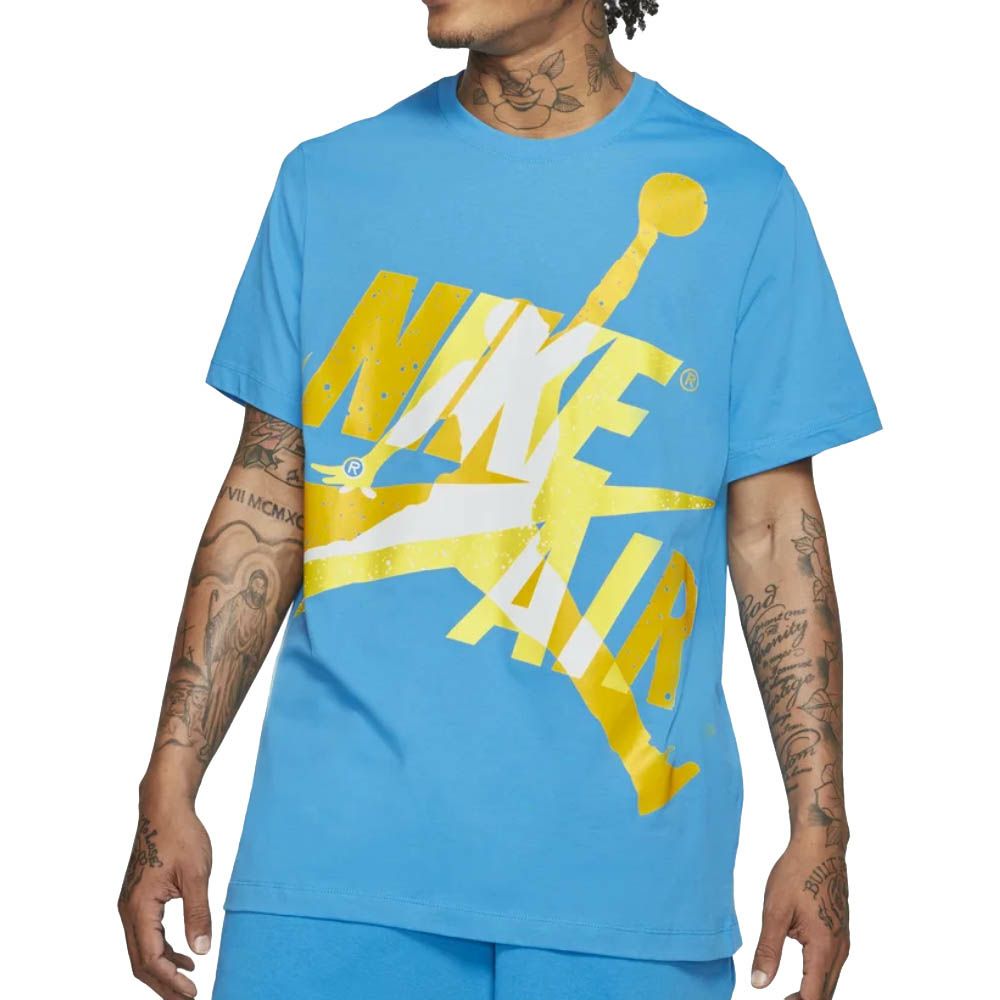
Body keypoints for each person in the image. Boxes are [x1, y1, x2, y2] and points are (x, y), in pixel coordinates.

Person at [116, 2, 879, 998]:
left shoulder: (743, 198)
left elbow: (775, 531)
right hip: (336, 869)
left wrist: (820, 830)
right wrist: (170, 779)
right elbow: (269, 492)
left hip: (625, 891)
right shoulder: (330, 182)